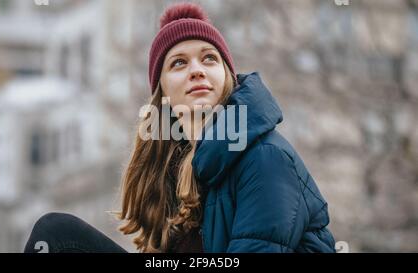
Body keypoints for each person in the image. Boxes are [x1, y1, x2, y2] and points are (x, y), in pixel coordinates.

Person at [24, 2, 335, 253]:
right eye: (179, 63)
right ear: (163, 95)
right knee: (57, 237)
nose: (197, 70)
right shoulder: (175, 171)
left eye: (209, 59)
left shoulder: (265, 157)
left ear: (227, 77)